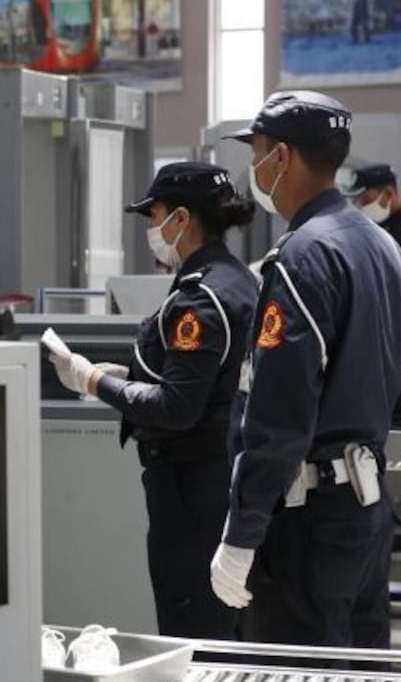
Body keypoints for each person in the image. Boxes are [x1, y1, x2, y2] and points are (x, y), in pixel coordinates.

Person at [209, 91, 401, 649]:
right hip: (366, 511)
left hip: (309, 521)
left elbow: (280, 408)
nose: (253, 167)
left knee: (298, 663)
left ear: (285, 158)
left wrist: (243, 532)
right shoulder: (382, 247)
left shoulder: (304, 257)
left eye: (258, 152)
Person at [42, 162, 259, 639]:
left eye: (153, 214)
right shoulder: (238, 279)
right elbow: (206, 379)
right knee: (228, 631)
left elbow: (176, 408)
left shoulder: (199, 299)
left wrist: (93, 379)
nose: (149, 228)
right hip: (222, 479)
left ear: (181, 219)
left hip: (192, 491)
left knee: (195, 630)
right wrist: (133, 376)